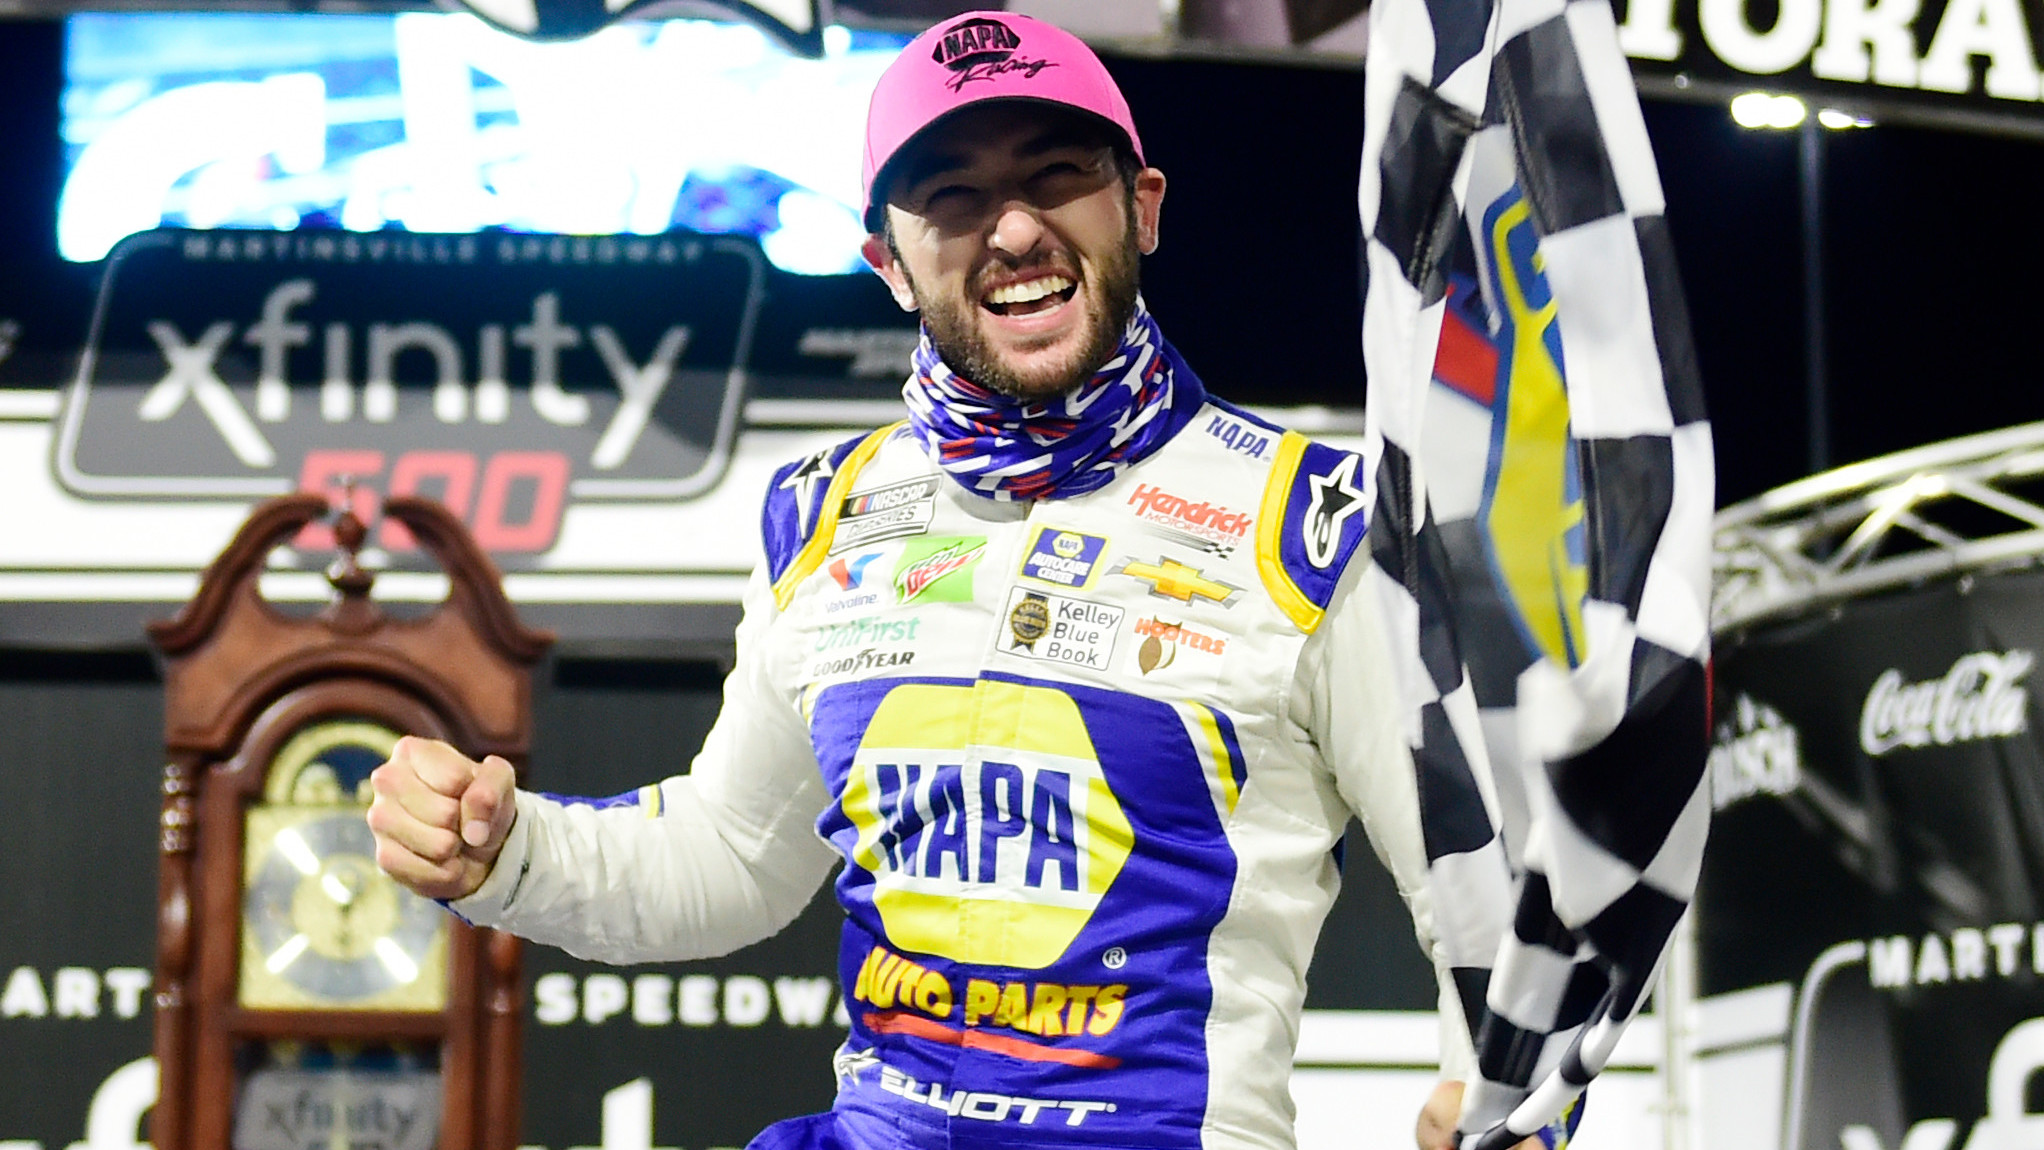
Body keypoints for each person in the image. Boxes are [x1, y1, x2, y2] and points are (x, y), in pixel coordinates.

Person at [368, 12, 1514, 1150]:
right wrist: (504, 850)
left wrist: (1503, 1096)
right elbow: (730, 855)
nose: (1013, 228)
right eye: (953, 197)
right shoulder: (823, 512)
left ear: (1142, 207)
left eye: (1057, 175)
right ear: (890, 264)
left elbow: (1476, 879)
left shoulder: (1317, 520)